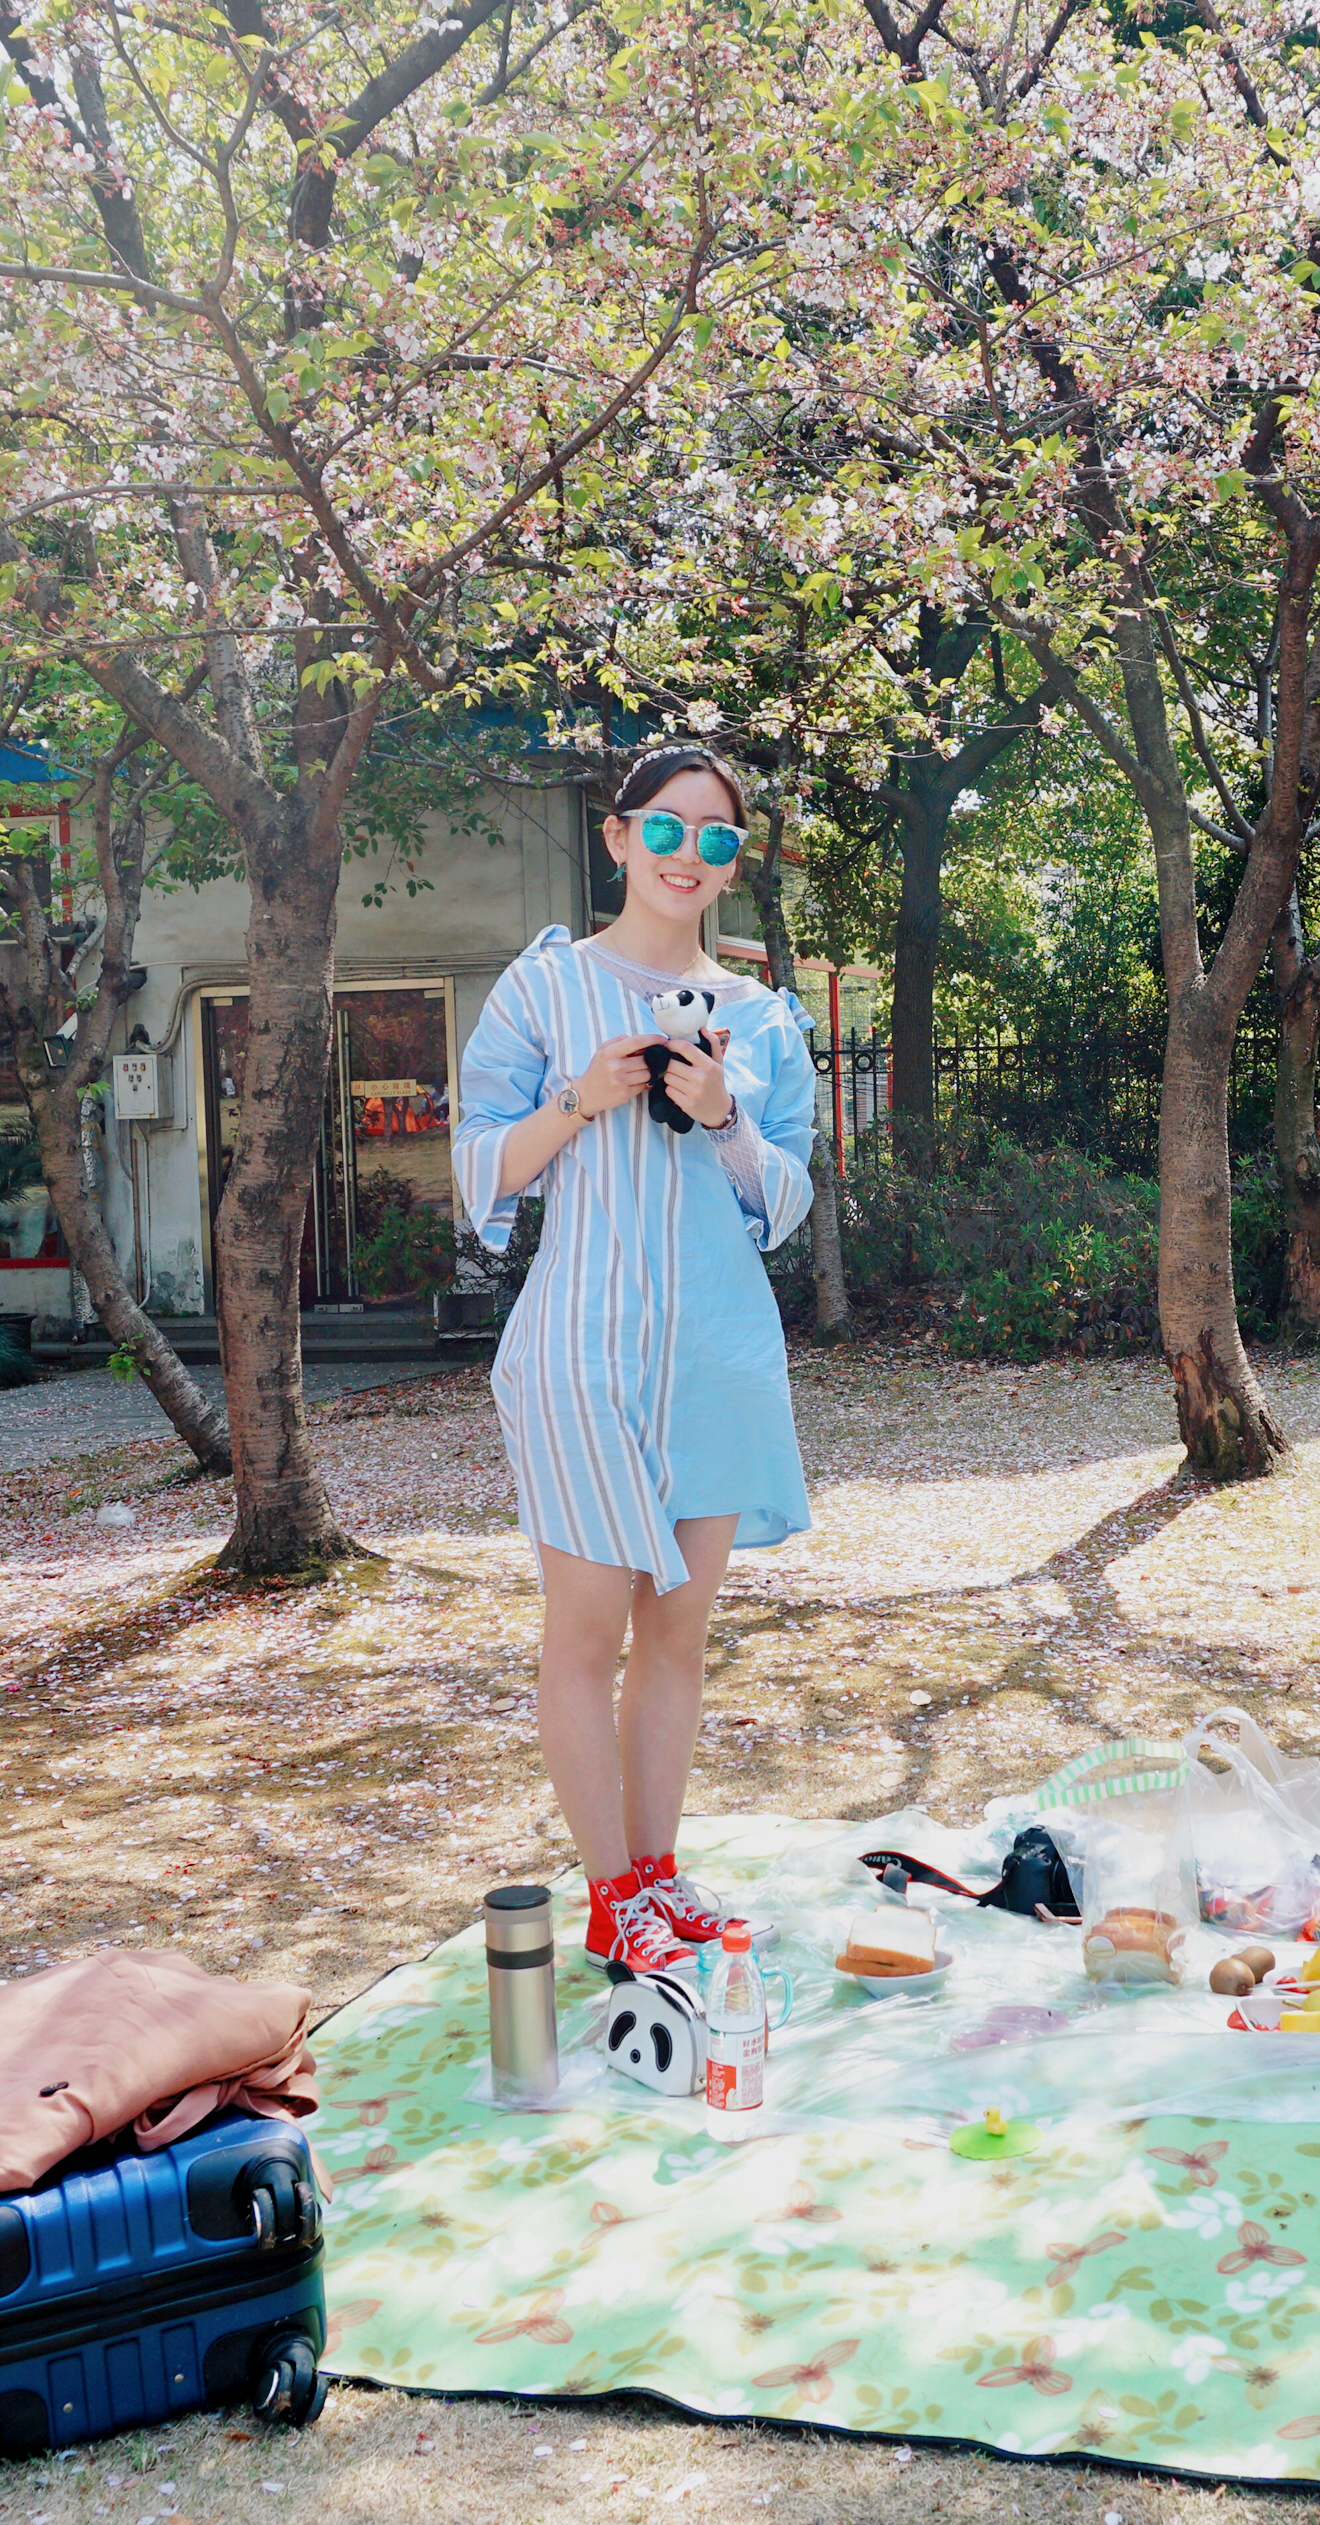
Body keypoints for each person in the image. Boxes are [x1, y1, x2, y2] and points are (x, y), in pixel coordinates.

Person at [451, 744, 819, 1978]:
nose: (690, 856)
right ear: (617, 838)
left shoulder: (762, 1016)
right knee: (589, 1624)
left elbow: (790, 1201)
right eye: (670, 828)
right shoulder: (546, 990)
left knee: (678, 1632)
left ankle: (656, 1877)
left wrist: (726, 1119)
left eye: (718, 838)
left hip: (715, 1355)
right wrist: (581, 1097)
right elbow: (481, 1166)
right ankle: (609, 1896)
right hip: (578, 1351)